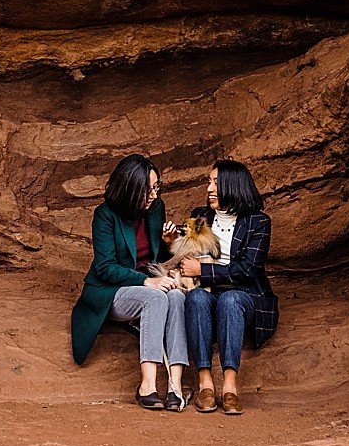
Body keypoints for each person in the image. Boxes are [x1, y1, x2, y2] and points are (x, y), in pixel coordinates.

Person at [69, 154, 193, 410]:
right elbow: (105, 268)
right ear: (129, 188)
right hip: (112, 290)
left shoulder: (156, 209)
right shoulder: (105, 215)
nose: (154, 196)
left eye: (156, 187)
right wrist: (147, 282)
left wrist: (169, 244)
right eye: (147, 190)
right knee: (157, 296)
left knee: (178, 296)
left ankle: (175, 387)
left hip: (147, 283)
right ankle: (147, 385)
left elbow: (156, 256)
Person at [182, 159, 273, 416]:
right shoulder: (200, 215)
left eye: (215, 183)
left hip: (245, 294)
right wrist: (172, 242)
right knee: (197, 298)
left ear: (232, 185)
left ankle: (230, 384)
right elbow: (189, 254)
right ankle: (205, 383)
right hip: (208, 292)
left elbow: (247, 270)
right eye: (209, 182)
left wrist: (203, 270)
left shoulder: (258, 222)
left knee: (230, 300)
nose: (209, 188)